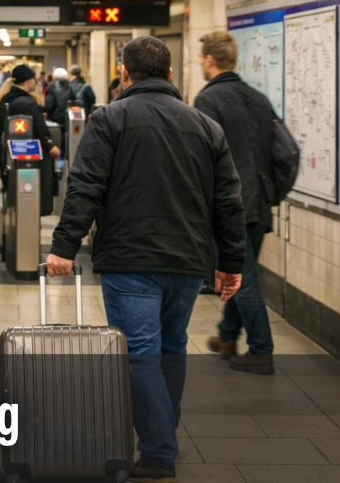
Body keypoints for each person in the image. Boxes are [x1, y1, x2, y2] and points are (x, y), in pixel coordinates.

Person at [47, 36, 245, 482]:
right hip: (187, 262)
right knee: (171, 348)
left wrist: (64, 246)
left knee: (140, 354)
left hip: (130, 257)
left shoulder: (109, 119)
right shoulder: (205, 125)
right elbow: (229, 202)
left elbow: (86, 186)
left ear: (124, 73)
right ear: (171, 75)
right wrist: (231, 262)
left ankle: (158, 452)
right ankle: (163, 434)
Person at [195, 32, 277, 375]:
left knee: (240, 275)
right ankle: (228, 335)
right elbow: (286, 152)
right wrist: (271, 191)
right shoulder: (259, 99)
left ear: (210, 61)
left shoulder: (208, 101)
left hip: (230, 205)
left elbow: (200, 158)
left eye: (201, 58)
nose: (201, 63)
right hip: (259, 202)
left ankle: (261, 350)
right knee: (241, 272)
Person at [0, 65, 60, 160]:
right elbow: (39, 126)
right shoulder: (27, 103)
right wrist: (50, 146)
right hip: (26, 154)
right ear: (30, 82)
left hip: (7, 153)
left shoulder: (5, 99)